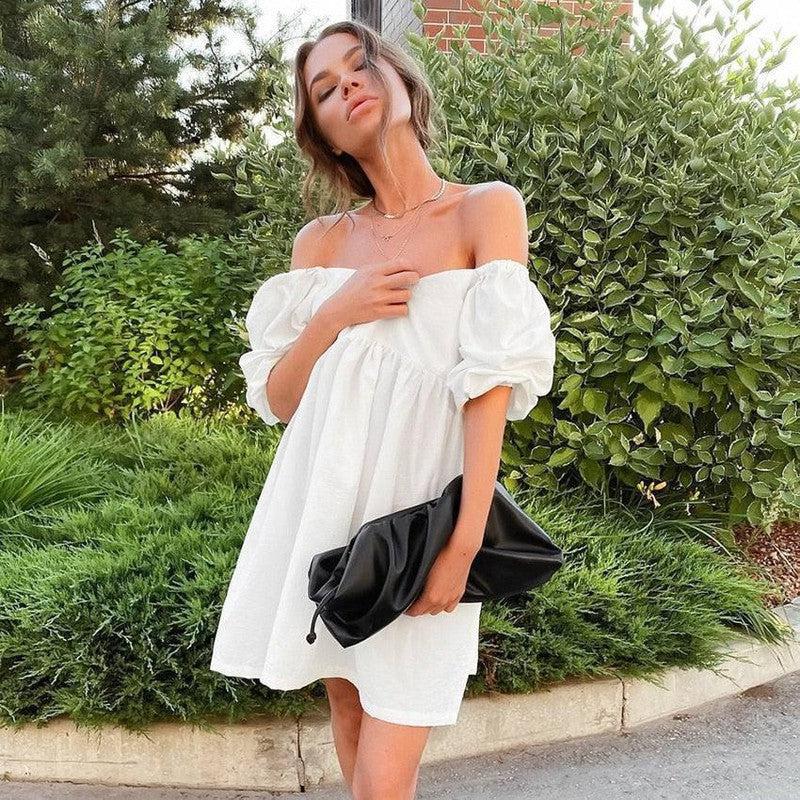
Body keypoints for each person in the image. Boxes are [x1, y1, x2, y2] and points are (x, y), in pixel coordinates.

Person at [210, 19, 556, 800]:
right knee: (349, 709)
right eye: (324, 90)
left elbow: (489, 385)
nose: (347, 87)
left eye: (357, 67)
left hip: (421, 521)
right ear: (323, 133)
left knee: (387, 760)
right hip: (325, 506)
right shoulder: (320, 245)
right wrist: (337, 314)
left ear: (400, 78)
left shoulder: (485, 209)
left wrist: (465, 542)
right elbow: (282, 402)